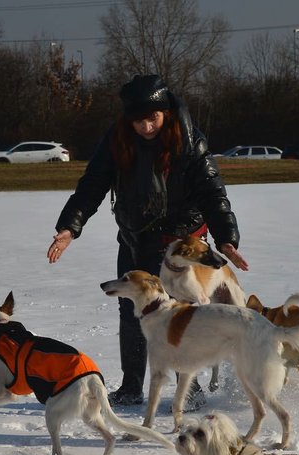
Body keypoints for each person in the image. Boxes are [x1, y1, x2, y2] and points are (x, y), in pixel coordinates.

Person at [47, 74, 248, 407]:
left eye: (152, 118)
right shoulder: (117, 140)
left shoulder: (188, 141)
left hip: (178, 246)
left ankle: (191, 390)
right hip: (135, 240)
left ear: (165, 112)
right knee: (132, 310)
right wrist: (70, 227)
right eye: (138, 120)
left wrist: (227, 238)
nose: (146, 127)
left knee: (181, 315)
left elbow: (213, 193)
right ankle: (130, 386)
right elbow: (92, 186)